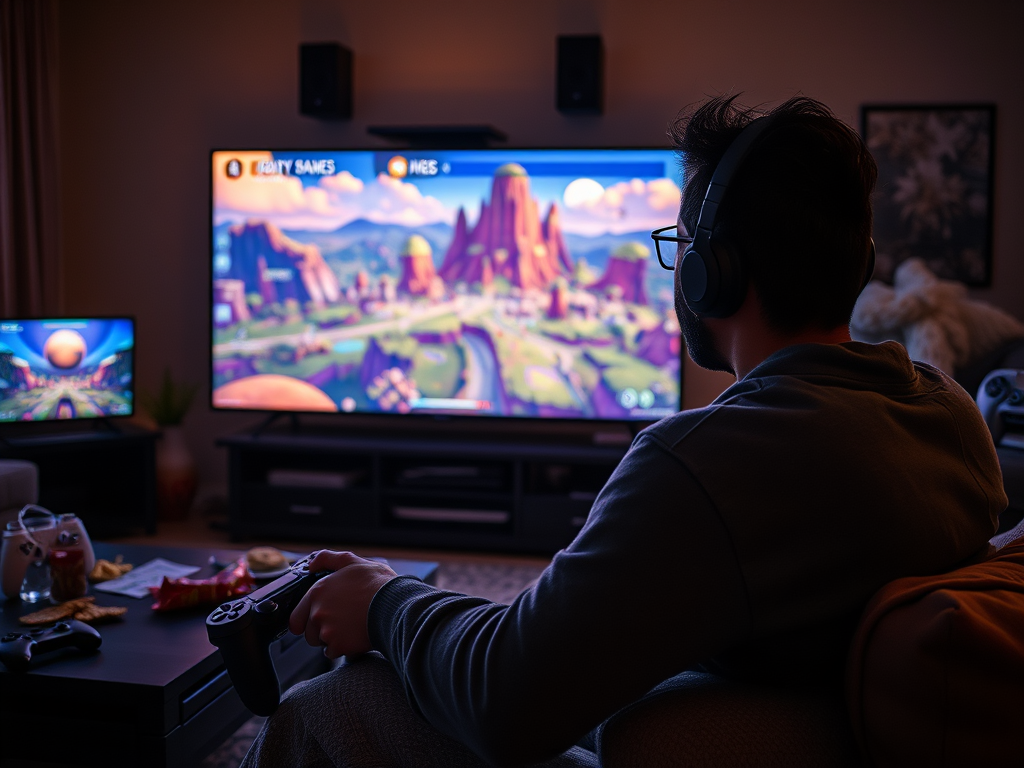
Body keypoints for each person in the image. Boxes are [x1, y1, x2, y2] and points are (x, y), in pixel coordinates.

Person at [240, 96, 1005, 768]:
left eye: (680, 248)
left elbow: (504, 702)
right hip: (791, 715)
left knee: (330, 705)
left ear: (711, 271)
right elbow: (553, 643)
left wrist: (382, 602)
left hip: (708, 725)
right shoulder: (949, 411)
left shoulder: (707, 464)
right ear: (856, 262)